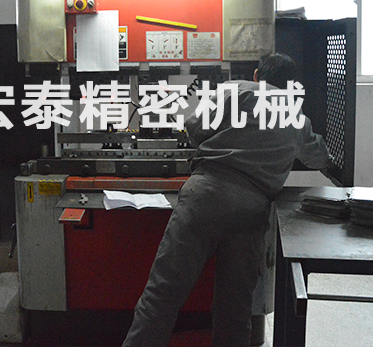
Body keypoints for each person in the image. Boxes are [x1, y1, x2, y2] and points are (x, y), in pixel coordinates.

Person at [122, 53, 333, 347]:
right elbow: (319, 157)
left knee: (163, 294)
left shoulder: (234, 89)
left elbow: (195, 129)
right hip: (252, 210)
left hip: (205, 196)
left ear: (257, 75)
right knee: (235, 310)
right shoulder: (297, 118)